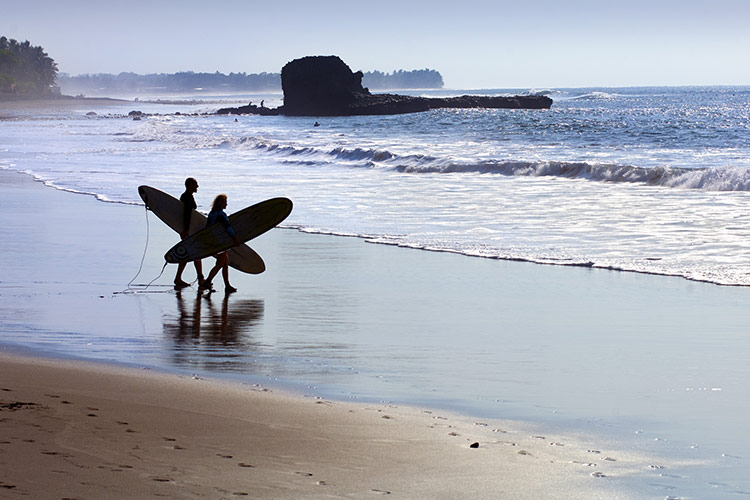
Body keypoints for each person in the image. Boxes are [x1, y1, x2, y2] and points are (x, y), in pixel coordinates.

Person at [201, 194, 241, 294]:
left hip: (214, 241)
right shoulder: (220, 215)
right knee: (220, 264)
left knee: (225, 263)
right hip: (220, 242)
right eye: (225, 202)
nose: (226, 204)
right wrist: (235, 239)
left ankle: (227, 285)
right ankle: (208, 281)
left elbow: (208, 228)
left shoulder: (212, 213)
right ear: (221, 203)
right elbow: (228, 228)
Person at [174, 177, 205, 290]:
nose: (197, 186)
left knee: (193, 253)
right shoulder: (186, 197)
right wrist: (186, 229)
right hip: (187, 230)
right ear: (190, 185)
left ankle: (199, 278)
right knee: (190, 254)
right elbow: (186, 214)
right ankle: (198, 279)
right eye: (195, 184)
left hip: (189, 229)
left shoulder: (187, 196)